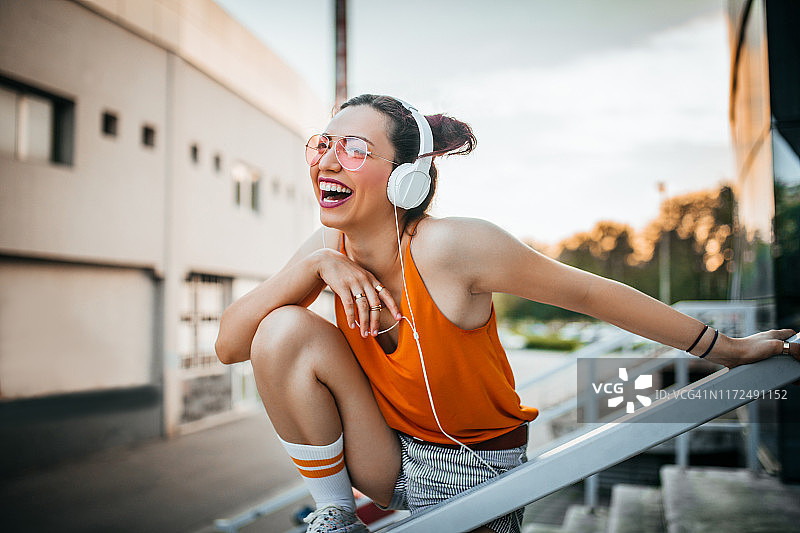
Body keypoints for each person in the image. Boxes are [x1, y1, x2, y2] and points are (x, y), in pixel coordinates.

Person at [215, 94, 799, 533]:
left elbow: (591, 295)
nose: (328, 160)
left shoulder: (451, 247)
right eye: (323, 144)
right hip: (387, 455)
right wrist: (313, 269)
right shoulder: (326, 247)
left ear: (405, 178)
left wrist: (727, 349)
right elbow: (232, 346)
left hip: (477, 467)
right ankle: (336, 517)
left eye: (354, 149)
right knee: (283, 326)